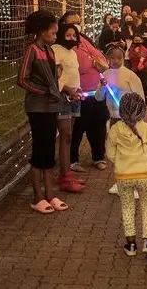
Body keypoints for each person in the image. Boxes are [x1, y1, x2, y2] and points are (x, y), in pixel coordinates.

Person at [19, 10, 80, 213]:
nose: (55, 36)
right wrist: (43, 91)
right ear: (42, 31)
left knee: (49, 150)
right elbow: (22, 79)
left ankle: (50, 194)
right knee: (40, 150)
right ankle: (37, 196)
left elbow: (54, 81)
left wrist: (63, 91)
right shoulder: (33, 50)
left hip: (51, 106)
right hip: (37, 107)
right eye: (53, 32)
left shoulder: (49, 51)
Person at [106, 94, 147, 257]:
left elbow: (110, 154)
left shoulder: (115, 129)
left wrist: (122, 162)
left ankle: (131, 245)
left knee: (127, 207)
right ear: (142, 111)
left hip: (123, 176)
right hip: (144, 175)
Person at [60, 11, 110, 176]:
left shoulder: (83, 39)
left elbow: (99, 56)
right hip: (78, 93)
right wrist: (92, 63)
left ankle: (98, 156)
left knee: (99, 124)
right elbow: (76, 67)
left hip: (96, 90)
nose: (76, 26)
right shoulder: (62, 46)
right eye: (72, 23)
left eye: (78, 22)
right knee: (78, 127)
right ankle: (72, 159)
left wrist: (99, 64)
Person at [101, 46, 146, 195]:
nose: (115, 61)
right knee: (118, 152)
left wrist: (138, 118)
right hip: (113, 119)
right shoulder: (105, 74)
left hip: (129, 120)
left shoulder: (130, 76)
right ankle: (120, 181)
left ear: (123, 58)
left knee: (130, 152)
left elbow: (140, 97)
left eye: (119, 58)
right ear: (108, 58)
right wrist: (101, 88)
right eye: (112, 58)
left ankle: (134, 184)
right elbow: (98, 97)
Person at [51, 23, 86, 193]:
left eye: (74, 35)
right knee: (65, 136)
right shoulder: (56, 50)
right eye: (68, 35)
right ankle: (65, 176)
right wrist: (68, 90)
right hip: (63, 98)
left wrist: (77, 90)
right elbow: (55, 77)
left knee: (69, 136)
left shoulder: (72, 52)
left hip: (74, 97)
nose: (72, 38)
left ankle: (66, 173)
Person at [128, 35, 147, 100]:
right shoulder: (131, 49)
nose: (137, 42)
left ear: (142, 41)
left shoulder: (145, 50)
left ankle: (144, 99)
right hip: (134, 71)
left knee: (144, 85)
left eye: (139, 40)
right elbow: (130, 57)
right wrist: (137, 53)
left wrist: (143, 66)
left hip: (143, 71)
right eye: (136, 40)